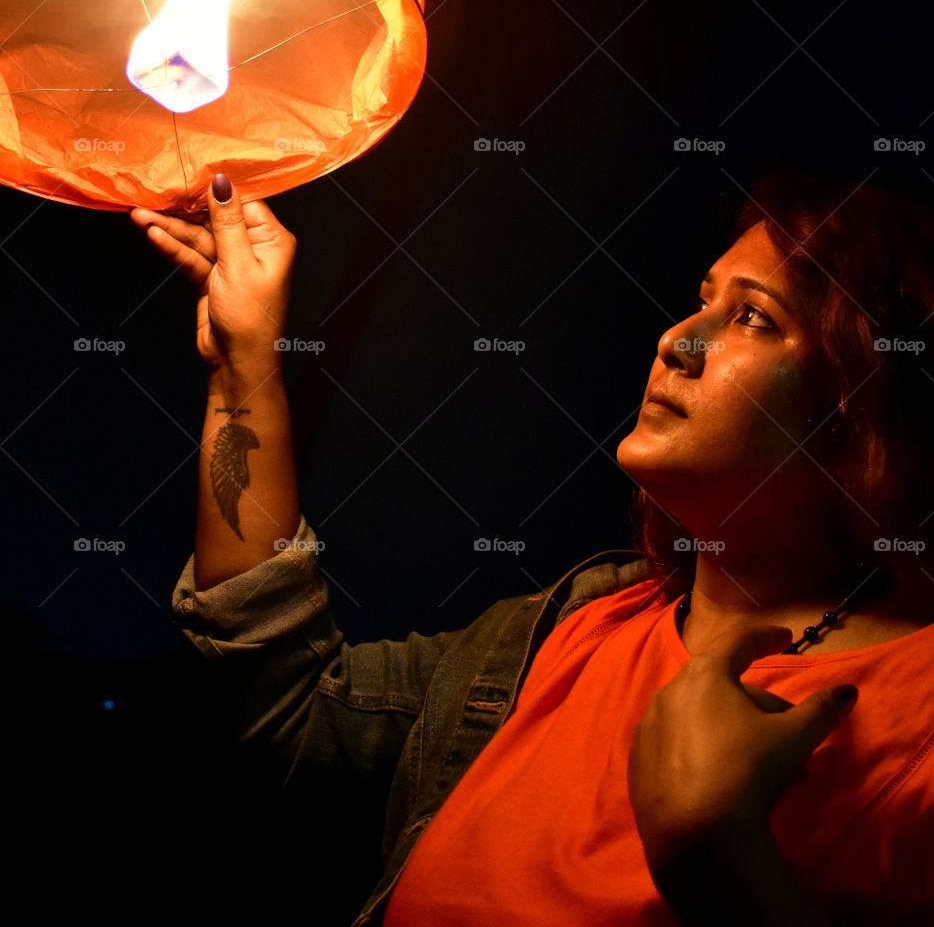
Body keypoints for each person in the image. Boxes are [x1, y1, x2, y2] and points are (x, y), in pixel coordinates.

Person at [130, 170, 934, 925]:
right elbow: (288, 711)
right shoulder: (564, 630)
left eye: (753, 317)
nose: (675, 340)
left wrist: (724, 871)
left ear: (864, 407)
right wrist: (246, 368)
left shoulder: (916, 720)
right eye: (701, 302)